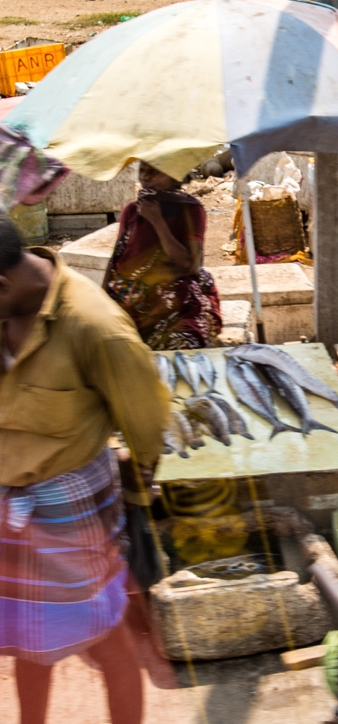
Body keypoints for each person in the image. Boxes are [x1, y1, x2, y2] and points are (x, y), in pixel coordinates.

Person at [0, 215, 167, 724]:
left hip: (73, 512)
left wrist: (134, 510)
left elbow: (146, 428)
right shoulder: (7, 311)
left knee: (106, 641)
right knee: (29, 641)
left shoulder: (96, 326)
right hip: (12, 505)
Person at [102, 162, 221, 350]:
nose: (145, 177)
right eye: (142, 171)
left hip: (173, 294)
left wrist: (157, 221)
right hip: (130, 295)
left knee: (185, 343)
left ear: (174, 176)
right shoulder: (132, 210)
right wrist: (103, 299)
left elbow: (190, 265)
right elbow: (117, 257)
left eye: (153, 172)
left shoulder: (191, 210)